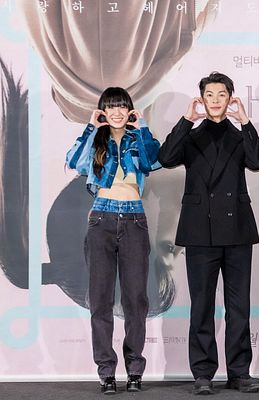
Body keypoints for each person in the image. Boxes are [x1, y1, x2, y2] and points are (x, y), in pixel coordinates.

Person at [158, 72, 259, 394]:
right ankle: (203, 373)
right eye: (210, 95)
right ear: (202, 99)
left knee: (239, 307)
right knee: (202, 305)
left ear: (231, 98)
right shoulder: (191, 135)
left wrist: (245, 121)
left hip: (237, 230)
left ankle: (239, 372)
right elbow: (166, 158)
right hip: (199, 231)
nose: (216, 100)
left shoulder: (239, 134)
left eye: (222, 94)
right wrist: (186, 119)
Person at [65, 87, 160, 394]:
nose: (117, 112)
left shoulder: (136, 138)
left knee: (136, 299)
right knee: (101, 299)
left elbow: (152, 161)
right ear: (103, 111)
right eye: (111, 107)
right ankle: (106, 371)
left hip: (134, 219)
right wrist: (91, 127)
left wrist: (141, 127)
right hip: (101, 219)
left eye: (122, 106)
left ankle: (135, 370)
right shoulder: (97, 140)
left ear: (129, 110)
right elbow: (74, 162)